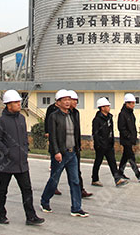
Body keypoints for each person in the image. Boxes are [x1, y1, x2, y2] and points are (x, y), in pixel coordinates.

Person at [0, 90, 45, 226]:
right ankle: (1, 214)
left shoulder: (22, 118)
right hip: (7, 163)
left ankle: (31, 216)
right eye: (16, 102)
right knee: (3, 189)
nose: (19, 104)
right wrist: (7, 152)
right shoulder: (1, 121)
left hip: (22, 163)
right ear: (8, 104)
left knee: (27, 190)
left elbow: (24, 136)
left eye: (19, 102)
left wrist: (25, 149)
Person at [40, 89, 89, 218]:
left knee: (75, 180)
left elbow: (76, 133)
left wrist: (77, 147)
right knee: (54, 180)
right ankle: (45, 201)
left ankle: (76, 208)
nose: (68, 102)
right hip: (61, 153)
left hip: (72, 153)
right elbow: (53, 136)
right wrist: (56, 152)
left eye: (69, 99)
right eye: (65, 100)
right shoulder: (54, 116)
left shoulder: (73, 115)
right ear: (58, 103)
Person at [91, 98, 128, 187]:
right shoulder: (97, 120)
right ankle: (94, 179)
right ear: (102, 108)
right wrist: (98, 144)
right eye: (107, 106)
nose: (108, 107)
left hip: (109, 144)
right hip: (101, 145)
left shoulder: (109, 118)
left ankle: (117, 179)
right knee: (98, 162)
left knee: (112, 162)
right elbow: (95, 133)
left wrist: (112, 141)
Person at [68, 90, 92, 198]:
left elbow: (77, 130)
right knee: (56, 173)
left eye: (76, 100)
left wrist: (78, 144)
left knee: (76, 171)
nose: (75, 102)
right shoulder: (64, 113)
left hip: (75, 147)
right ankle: (49, 192)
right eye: (73, 100)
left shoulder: (76, 113)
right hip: (64, 148)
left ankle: (80, 190)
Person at [118, 93, 140, 182]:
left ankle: (120, 172)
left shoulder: (131, 114)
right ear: (127, 103)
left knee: (125, 157)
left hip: (131, 139)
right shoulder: (122, 114)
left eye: (134, 103)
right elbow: (121, 128)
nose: (133, 105)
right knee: (131, 157)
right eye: (132, 103)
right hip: (126, 140)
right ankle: (138, 174)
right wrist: (128, 136)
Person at [43, 93, 62, 196]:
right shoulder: (51, 108)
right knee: (55, 164)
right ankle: (52, 188)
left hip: (62, 139)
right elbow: (47, 120)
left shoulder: (65, 110)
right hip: (53, 135)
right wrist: (47, 131)